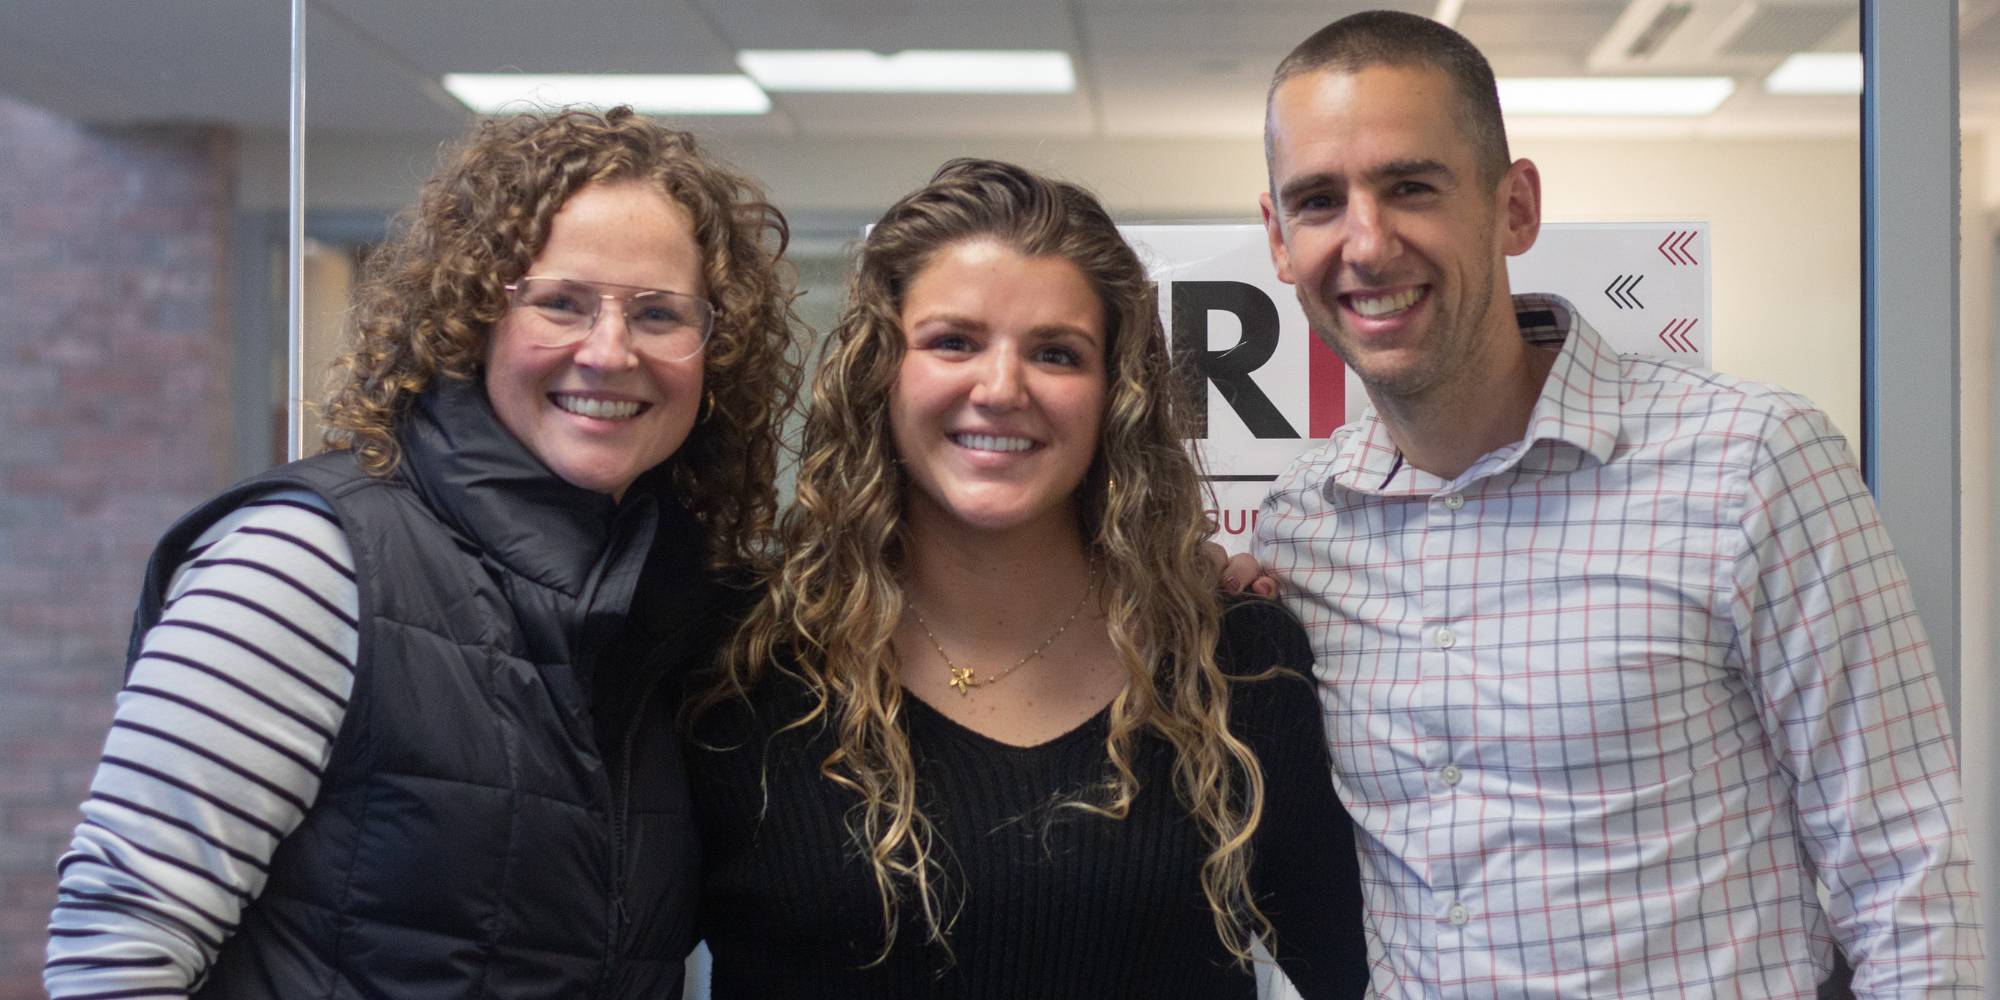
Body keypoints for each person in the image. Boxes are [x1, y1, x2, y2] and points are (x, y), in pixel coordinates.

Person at [1251, 10, 1983, 997]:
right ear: (1277, 240)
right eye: (1318, 202)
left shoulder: (1749, 461)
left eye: (1410, 187)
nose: (1366, 242)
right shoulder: (1303, 526)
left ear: (1512, 207)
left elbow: (1905, 876)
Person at [44, 107, 802, 998]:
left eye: (659, 313)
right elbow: (116, 945)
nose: (609, 350)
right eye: (559, 302)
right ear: (473, 318)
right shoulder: (308, 561)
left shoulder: (669, 608)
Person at [684, 158, 1370, 998]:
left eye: (1056, 352)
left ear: (1115, 391)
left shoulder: (1237, 667)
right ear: (880, 372)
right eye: (953, 342)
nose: (1001, 388)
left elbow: (1364, 972)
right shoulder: (737, 662)